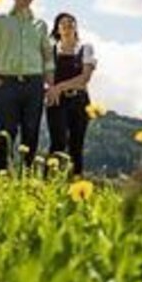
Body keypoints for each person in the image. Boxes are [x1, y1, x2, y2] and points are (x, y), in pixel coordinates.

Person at [0, 0, 54, 172]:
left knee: (31, 131)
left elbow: (48, 58)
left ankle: (26, 174)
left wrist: (50, 85)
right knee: (6, 131)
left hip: (34, 85)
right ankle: (3, 173)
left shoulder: (40, 25)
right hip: (6, 84)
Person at [45, 12, 97, 177]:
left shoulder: (85, 48)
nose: (67, 25)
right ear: (57, 29)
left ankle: (75, 183)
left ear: (76, 27)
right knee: (57, 142)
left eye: (71, 22)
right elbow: (47, 76)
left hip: (80, 100)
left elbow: (85, 78)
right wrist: (52, 89)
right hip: (56, 101)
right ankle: (49, 181)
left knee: (76, 145)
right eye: (63, 23)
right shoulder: (50, 50)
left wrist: (59, 86)